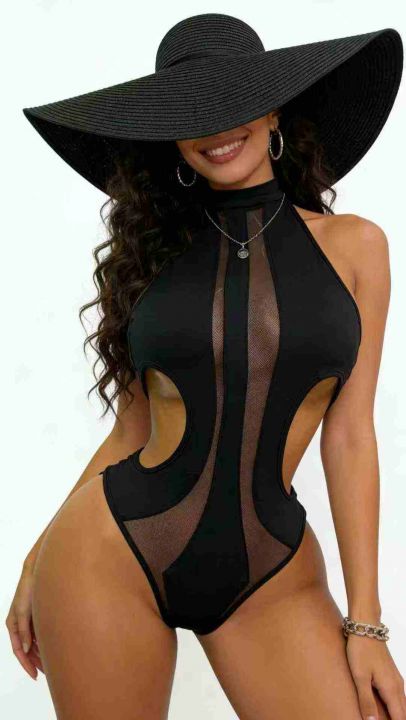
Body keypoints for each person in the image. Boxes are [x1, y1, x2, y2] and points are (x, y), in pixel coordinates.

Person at [7, 12, 405, 720]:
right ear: (170, 137)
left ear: (275, 109)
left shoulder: (357, 249)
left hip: (269, 575)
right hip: (111, 554)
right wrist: (39, 556)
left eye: (235, 103)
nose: (217, 129)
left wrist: (366, 623)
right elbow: (133, 431)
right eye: (190, 115)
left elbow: (350, 435)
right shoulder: (156, 259)